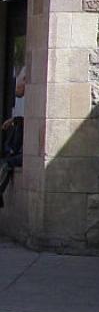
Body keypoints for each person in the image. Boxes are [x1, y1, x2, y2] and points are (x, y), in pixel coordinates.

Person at [0, 65, 26, 208]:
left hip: (29, 153)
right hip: (23, 150)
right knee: (6, 161)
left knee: (6, 163)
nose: (16, 86)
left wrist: (15, 120)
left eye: (21, 80)